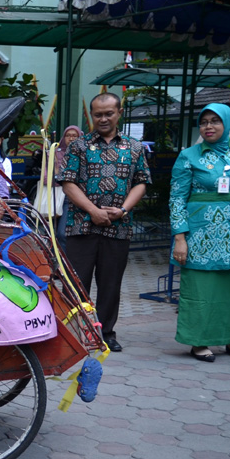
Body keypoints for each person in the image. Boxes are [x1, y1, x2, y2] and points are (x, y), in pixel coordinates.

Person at [169, 103, 230, 361]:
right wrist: (180, 238)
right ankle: (198, 342)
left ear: (226, 123)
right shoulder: (189, 156)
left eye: (215, 121)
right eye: (204, 122)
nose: (208, 126)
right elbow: (177, 199)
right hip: (200, 237)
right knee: (200, 291)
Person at [60, 93, 151, 353]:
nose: (103, 118)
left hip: (119, 228)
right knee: (78, 283)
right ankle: (75, 332)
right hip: (81, 226)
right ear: (91, 115)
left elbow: (141, 183)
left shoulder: (134, 147)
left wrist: (123, 210)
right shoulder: (79, 146)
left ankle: (105, 333)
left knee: (111, 283)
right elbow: (68, 183)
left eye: (108, 113)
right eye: (98, 114)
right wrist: (93, 211)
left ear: (119, 112)